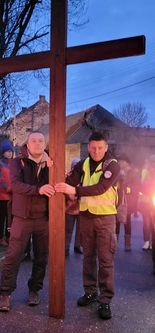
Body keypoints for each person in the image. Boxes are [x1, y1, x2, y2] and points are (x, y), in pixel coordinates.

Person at [55, 131, 120, 320]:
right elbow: (70, 181)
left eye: (100, 148)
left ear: (106, 147)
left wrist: (74, 190)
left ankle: (105, 300)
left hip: (106, 219)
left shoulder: (112, 166)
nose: (96, 151)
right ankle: (90, 292)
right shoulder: (83, 164)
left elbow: (100, 188)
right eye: (92, 148)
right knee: (88, 257)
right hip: (86, 217)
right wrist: (57, 172)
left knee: (106, 260)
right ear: (88, 147)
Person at [0, 131, 55, 312]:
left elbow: (57, 185)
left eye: (40, 140)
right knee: (13, 256)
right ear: (27, 145)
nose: (37, 143)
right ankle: (5, 294)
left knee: (41, 258)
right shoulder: (17, 162)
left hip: (44, 218)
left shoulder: (51, 164)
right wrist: (39, 190)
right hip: (22, 218)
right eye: (33, 141)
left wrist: (52, 169)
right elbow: (16, 185)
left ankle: (34, 291)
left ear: (45, 144)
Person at [115, 154, 140, 252]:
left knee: (127, 222)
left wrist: (127, 189)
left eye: (122, 161)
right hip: (117, 199)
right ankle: (115, 243)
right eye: (119, 161)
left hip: (128, 200)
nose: (121, 163)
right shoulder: (116, 171)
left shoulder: (133, 172)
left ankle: (127, 244)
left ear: (127, 162)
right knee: (116, 222)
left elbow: (136, 186)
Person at [0, 140, 13, 247]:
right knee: (2, 217)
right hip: (1, 196)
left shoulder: (14, 164)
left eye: (10, 151)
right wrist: (9, 188)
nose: (9, 153)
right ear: (3, 153)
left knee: (11, 217)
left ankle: (8, 236)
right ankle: (1, 237)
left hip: (12, 196)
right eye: (7, 151)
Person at [65, 157, 83, 257]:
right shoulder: (69, 177)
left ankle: (78, 246)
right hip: (70, 208)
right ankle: (66, 248)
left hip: (81, 208)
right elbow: (68, 193)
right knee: (68, 230)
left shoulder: (84, 177)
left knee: (80, 230)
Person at [138, 157, 153, 250]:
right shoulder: (144, 172)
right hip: (146, 201)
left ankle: (152, 242)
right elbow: (141, 185)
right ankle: (147, 242)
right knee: (147, 223)